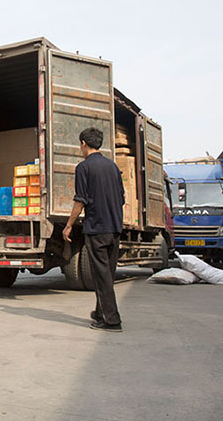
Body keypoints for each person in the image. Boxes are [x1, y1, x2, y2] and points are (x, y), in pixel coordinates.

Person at [62, 127, 125, 332]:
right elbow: (122, 198)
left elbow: (80, 201)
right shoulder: (113, 167)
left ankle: (112, 321)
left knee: (101, 276)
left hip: (97, 228)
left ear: (83, 143)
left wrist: (69, 225)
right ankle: (100, 313)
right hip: (114, 227)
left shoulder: (84, 167)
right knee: (107, 274)